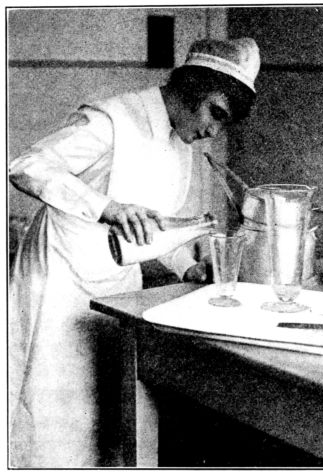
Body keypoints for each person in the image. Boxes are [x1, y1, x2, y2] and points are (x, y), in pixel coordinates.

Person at [8, 37, 260, 468]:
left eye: (224, 123)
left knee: (108, 415)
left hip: (116, 291)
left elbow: (154, 227)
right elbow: (26, 166)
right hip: (58, 284)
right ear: (192, 86)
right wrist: (107, 207)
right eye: (215, 113)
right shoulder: (113, 120)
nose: (213, 132)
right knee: (51, 419)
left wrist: (187, 266)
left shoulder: (180, 142)